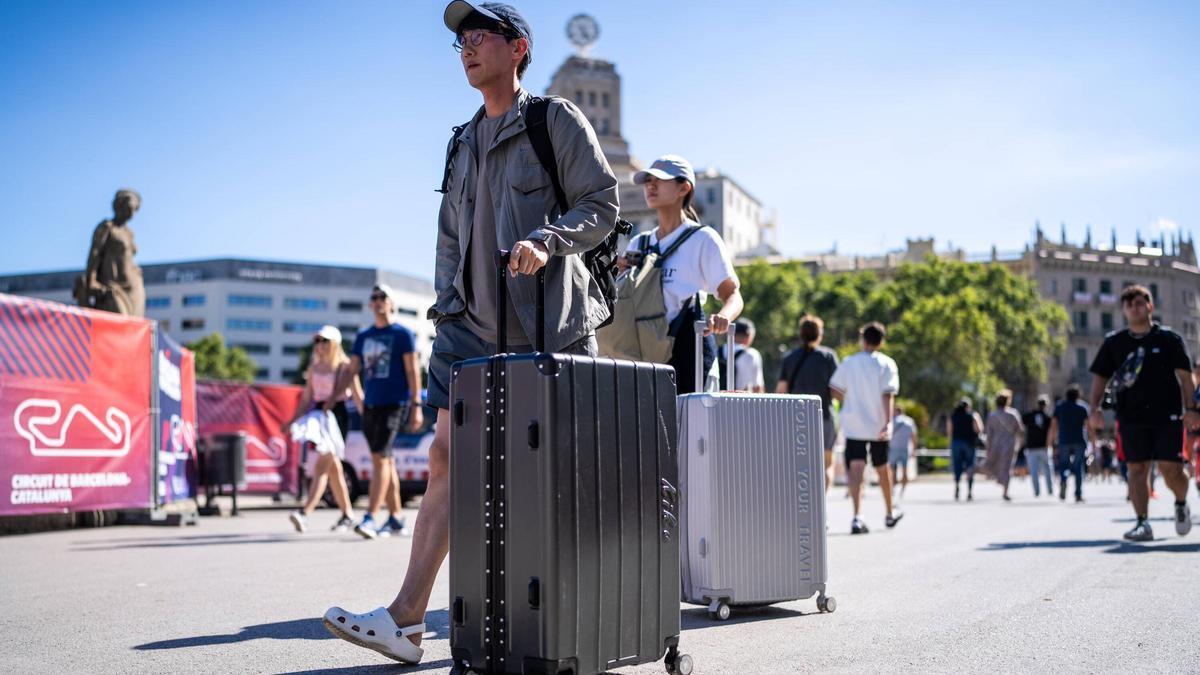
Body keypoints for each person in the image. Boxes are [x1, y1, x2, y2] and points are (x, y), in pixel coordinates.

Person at [323, 2, 618, 664]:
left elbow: (602, 203)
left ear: (518, 48)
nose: (466, 47)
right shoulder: (459, 141)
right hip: (469, 339)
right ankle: (405, 619)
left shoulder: (553, 121)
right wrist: (443, 325)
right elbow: (448, 242)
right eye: (459, 40)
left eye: (480, 35)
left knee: (555, 481)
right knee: (445, 460)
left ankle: (587, 617)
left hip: (550, 335)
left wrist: (549, 238)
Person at [1088, 284, 1198, 542]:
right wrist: (1094, 409)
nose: (1135, 308)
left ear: (1150, 306)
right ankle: (1142, 523)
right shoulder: (1114, 343)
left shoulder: (1169, 340)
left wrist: (1192, 409)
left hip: (1167, 415)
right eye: (1129, 305)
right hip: (1129, 416)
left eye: (1139, 303)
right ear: (1124, 311)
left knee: (1171, 469)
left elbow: (1185, 378)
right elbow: (1099, 379)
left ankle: (1181, 502)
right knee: (1136, 468)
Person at [625, 154, 743, 393]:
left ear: (683, 188)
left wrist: (723, 317)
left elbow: (733, 295)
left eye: (660, 179)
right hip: (645, 356)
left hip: (691, 354)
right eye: (648, 179)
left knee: (693, 429)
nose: (651, 184)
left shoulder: (703, 239)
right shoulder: (638, 244)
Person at [337, 284, 424, 540]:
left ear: (391, 303)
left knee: (380, 459)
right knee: (385, 461)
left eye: (382, 297)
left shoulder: (402, 334)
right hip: (371, 406)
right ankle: (396, 518)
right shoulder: (363, 337)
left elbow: (412, 372)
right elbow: (352, 371)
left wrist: (416, 406)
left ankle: (370, 517)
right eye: (373, 297)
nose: (377, 301)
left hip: (394, 404)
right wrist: (333, 399)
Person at [286, 326, 363, 533]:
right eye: (318, 340)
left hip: (337, 417)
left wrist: (369, 421)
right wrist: (292, 420)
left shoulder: (345, 367)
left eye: (325, 341)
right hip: (318, 418)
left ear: (335, 344)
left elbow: (357, 395)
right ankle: (348, 515)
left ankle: (305, 513)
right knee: (333, 469)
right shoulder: (313, 368)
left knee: (323, 465)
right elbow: (306, 398)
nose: (320, 345)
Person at [829, 322, 902, 534]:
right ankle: (889, 512)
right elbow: (888, 394)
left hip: (853, 423)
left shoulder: (849, 362)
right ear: (881, 341)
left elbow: (835, 390)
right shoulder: (887, 364)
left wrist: (849, 399)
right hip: (878, 424)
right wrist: (888, 422)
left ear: (863, 339)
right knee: (882, 468)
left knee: (856, 468)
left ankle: (857, 516)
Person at [777, 315, 841, 491]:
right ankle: (822, 507)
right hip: (824, 415)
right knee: (827, 462)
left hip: (796, 418)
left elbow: (781, 390)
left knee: (798, 462)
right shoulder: (828, 356)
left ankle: (802, 501)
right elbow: (836, 390)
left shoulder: (790, 358)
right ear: (819, 334)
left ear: (801, 334)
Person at [75, 189, 145, 316]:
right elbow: (95, 253)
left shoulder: (129, 233)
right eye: (129, 208)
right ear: (119, 206)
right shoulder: (107, 227)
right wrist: (91, 280)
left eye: (135, 209)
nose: (132, 213)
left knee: (133, 327)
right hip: (113, 285)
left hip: (133, 288)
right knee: (120, 320)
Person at [1048, 384, 1093, 503]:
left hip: (1064, 440)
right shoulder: (1083, 407)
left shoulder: (1059, 406)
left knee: (1063, 465)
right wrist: (1093, 441)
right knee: (1078, 467)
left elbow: (1053, 425)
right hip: (1079, 440)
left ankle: (1063, 480)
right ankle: (1078, 494)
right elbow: (1089, 427)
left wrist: (1050, 441)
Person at [983, 390, 1025, 502]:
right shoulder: (1013, 414)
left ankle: (999, 480)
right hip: (1009, 444)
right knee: (1007, 467)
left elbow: (989, 433)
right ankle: (1005, 491)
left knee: (994, 464)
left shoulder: (992, 415)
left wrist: (988, 448)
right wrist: (1019, 443)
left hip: (995, 444)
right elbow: (1020, 430)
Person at [946, 398, 983, 501]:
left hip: (956, 442)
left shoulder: (953, 416)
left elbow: (949, 431)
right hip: (969, 443)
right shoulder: (973, 416)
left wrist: (950, 443)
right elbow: (979, 429)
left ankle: (957, 484)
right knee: (970, 466)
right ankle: (970, 491)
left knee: (957, 465)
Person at [1022, 396, 1055, 497]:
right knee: (1048, 469)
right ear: (1045, 405)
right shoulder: (1048, 417)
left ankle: (1037, 491)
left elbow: (1022, 422)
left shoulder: (1030, 415)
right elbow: (1052, 431)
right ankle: (1050, 489)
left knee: (1034, 471)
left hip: (1032, 447)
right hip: (1043, 447)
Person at [724, 318, 765, 392]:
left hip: (716, 399)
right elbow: (758, 387)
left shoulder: (718, 350)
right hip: (739, 400)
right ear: (749, 335)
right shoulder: (751, 354)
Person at [888, 405, 917, 498]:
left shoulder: (892, 420)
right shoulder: (909, 421)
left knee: (891, 471)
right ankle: (902, 491)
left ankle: (892, 489)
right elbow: (913, 437)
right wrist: (913, 450)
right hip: (905, 449)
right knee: (905, 471)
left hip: (893, 448)